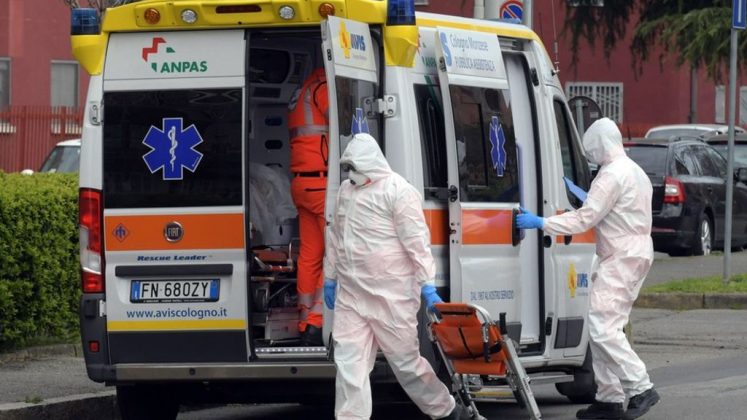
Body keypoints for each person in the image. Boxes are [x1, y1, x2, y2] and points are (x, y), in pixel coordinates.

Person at [517, 117, 659, 420]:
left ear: (600, 144)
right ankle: (608, 398)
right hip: (633, 253)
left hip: (620, 256)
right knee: (606, 326)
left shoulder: (611, 175)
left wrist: (542, 222)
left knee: (602, 327)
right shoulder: (634, 171)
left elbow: (585, 219)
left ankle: (640, 387)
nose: (590, 155)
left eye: (591, 149)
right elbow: (614, 211)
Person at [323, 133, 467, 420]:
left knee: (406, 364)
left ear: (370, 163)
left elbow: (417, 243)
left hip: (392, 295)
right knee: (349, 364)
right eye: (348, 168)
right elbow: (337, 236)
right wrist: (331, 276)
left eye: (355, 167)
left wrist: (428, 285)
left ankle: (446, 410)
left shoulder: (399, 191)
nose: (351, 174)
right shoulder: (346, 192)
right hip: (352, 294)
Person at [287, 68, 329, 346]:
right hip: (322, 185)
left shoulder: (300, 93)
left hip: (302, 183)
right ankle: (317, 320)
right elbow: (343, 125)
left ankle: (304, 319)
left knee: (310, 256)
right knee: (336, 253)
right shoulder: (322, 88)